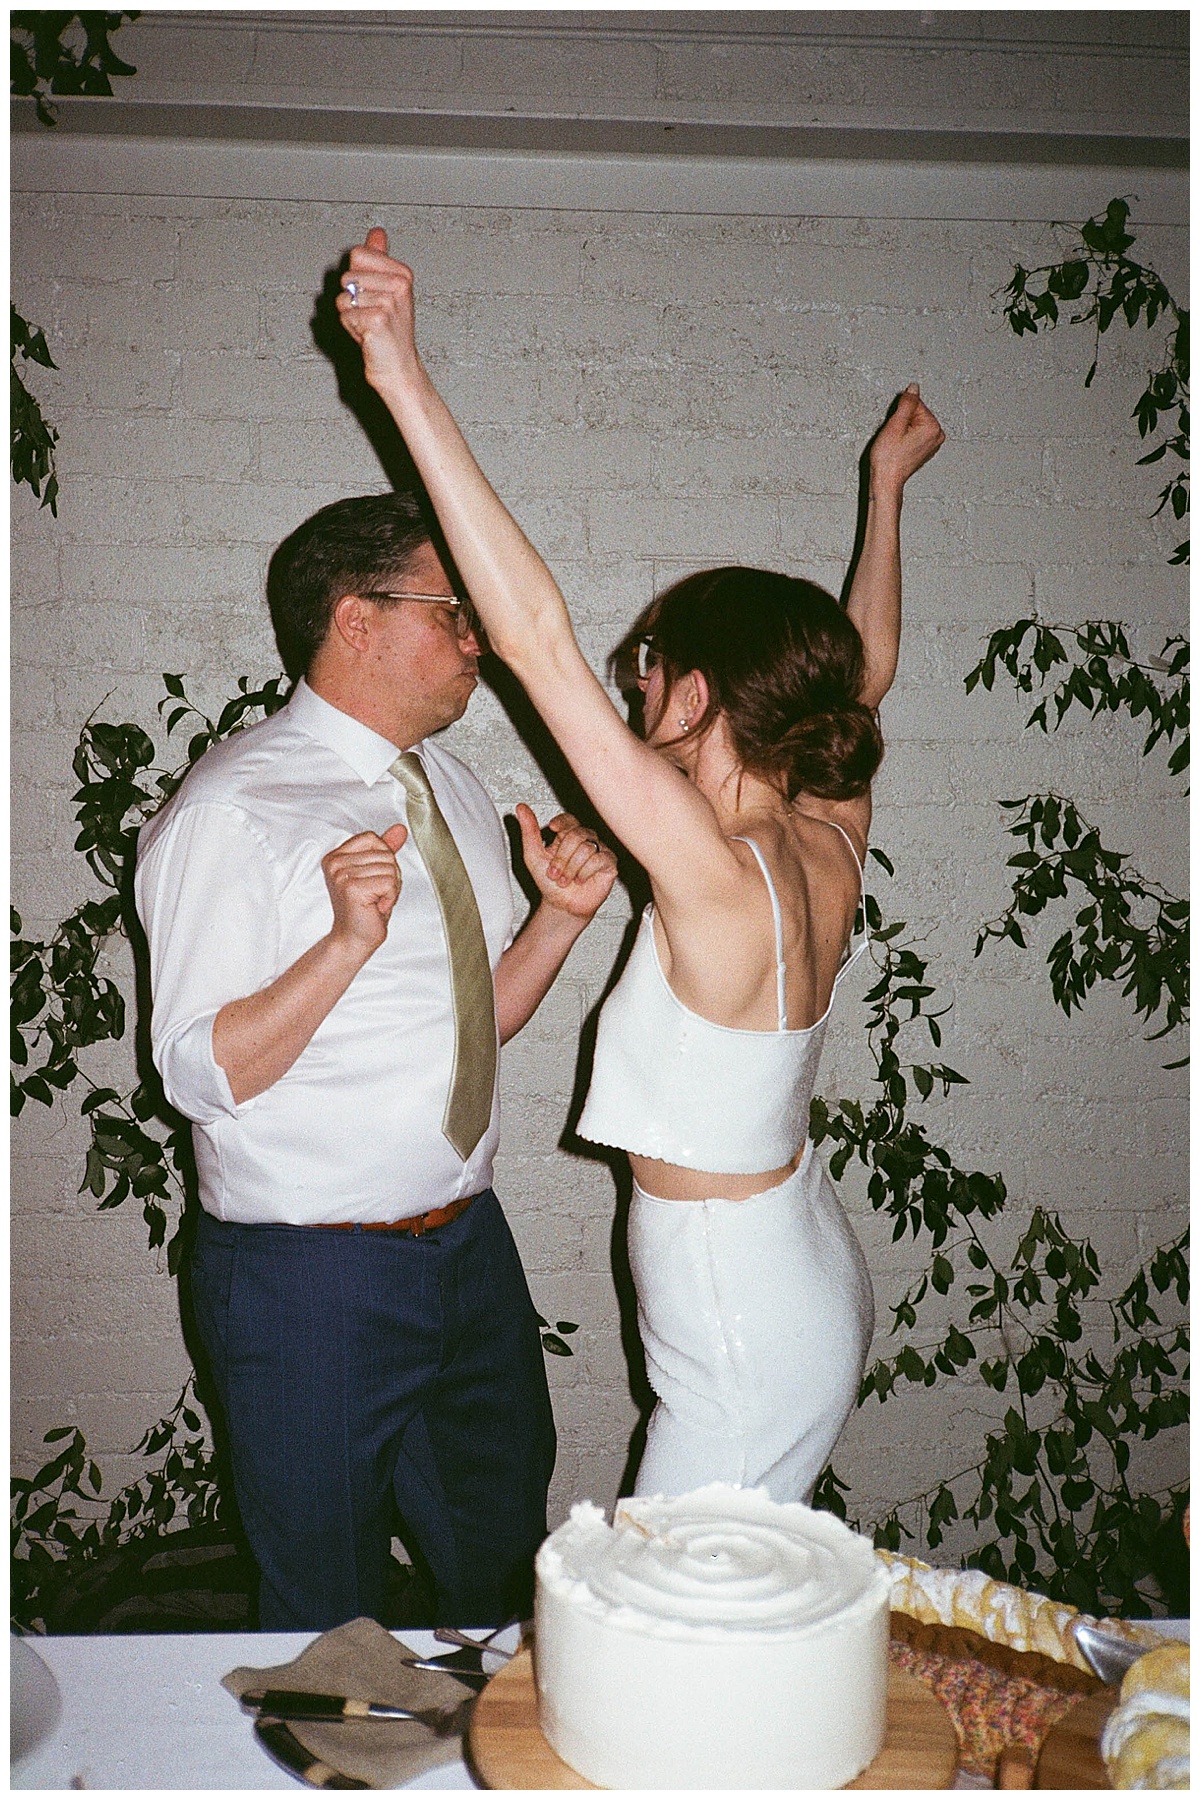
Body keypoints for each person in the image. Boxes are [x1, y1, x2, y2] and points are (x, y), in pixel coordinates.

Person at [337, 227, 944, 1504]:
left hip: (736, 1307)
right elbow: (868, 667)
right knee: (706, 1615)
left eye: (651, 670)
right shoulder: (827, 822)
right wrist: (887, 492)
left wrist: (400, 374)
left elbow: (534, 639)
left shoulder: (716, 868)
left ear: (702, 692)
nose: (634, 687)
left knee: (664, 1635)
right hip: (792, 1264)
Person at [134, 488, 617, 1628]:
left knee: (505, 1573)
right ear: (355, 619)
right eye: (452, 611)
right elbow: (195, 1073)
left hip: (465, 1249)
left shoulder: (446, 789)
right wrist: (346, 944)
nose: (477, 642)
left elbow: (472, 1027)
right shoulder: (232, 810)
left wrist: (558, 918)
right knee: (326, 1613)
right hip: (310, 1281)